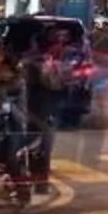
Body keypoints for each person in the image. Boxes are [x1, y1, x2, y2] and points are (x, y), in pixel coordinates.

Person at [20, 27, 71, 196]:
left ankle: (34, 181)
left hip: (35, 109)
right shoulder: (43, 61)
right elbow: (55, 83)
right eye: (59, 40)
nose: (62, 45)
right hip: (42, 110)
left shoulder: (32, 59)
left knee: (34, 146)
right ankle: (38, 183)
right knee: (41, 147)